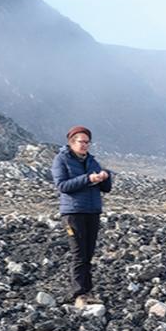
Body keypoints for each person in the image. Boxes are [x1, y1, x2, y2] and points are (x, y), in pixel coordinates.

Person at [51, 125, 113, 302]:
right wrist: (87, 178)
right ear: (72, 142)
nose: (85, 145)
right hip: (73, 212)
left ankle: (87, 291)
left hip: (92, 211)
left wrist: (105, 177)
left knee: (88, 253)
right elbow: (62, 186)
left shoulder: (92, 161)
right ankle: (79, 293)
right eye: (82, 142)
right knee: (79, 253)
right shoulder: (61, 160)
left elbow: (106, 188)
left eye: (87, 142)